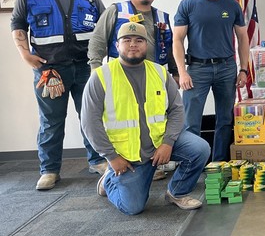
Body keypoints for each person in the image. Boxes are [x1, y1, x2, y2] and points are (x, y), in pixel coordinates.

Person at [81, 22, 210, 215]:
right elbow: (90, 123)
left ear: (147, 45)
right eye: (127, 40)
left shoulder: (159, 72)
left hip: (159, 145)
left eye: (139, 40)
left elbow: (176, 110)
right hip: (128, 156)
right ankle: (109, 180)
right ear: (117, 46)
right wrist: (112, 157)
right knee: (133, 207)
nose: (133, 44)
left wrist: (167, 143)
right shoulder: (100, 77)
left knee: (200, 149)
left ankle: (177, 192)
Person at [9, 0, 108, 190]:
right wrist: (24, 54)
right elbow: (17, 23)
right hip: (50, 69)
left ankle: (97, 161)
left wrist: (103, 57)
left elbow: (104, 22)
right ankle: (50, 170)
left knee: (91, 116)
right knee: (51, 122)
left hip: (86, 68)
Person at [88, 0, 178, 181]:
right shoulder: (116, 11)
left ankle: (152, 164)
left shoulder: (162, 17)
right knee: (127, 121)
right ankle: (111, 165)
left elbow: (170, 47)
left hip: (153, 78)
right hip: (121, 78)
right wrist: (95, 69)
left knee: (154, 121)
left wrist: (174, 72)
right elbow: (98, 40)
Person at [173, 0, 250, 162]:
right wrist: (182, 72)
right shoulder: (188, 4)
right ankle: (192, 164)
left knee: (224, 119)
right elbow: (177, 40)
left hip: (226, 68)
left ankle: (219, 163)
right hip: (197, 69)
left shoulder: (232, 6)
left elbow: (243, 38)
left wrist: (244, 70)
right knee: (191, 122)